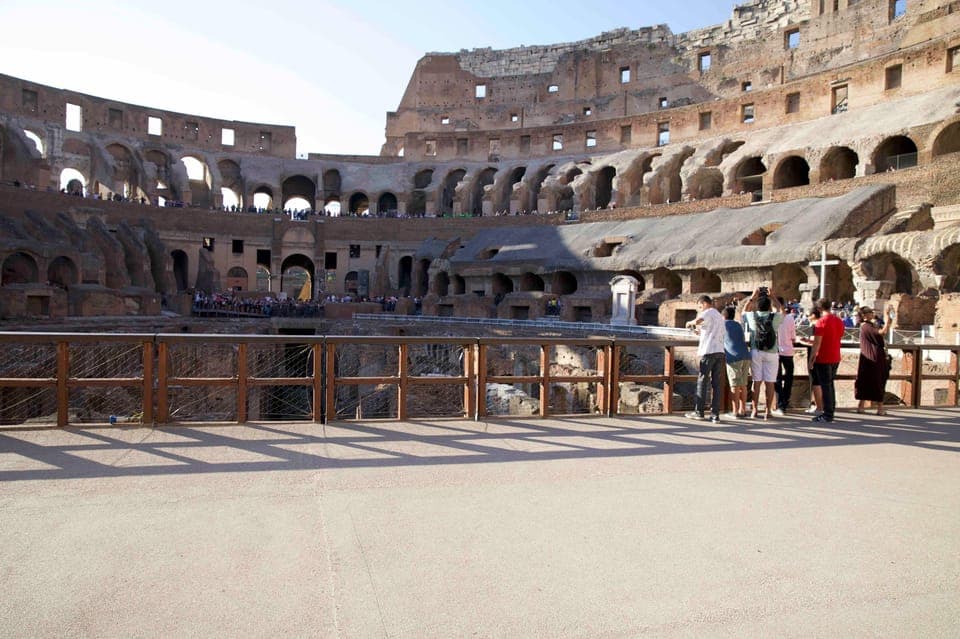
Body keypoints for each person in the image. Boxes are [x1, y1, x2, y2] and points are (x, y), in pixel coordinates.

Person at [742, 288, 783, 419]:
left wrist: (753, 296)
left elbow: (744, 311)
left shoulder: (753, 316)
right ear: (769, 305)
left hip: (756, 351)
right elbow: (782, 312)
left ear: (757, 305)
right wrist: (774, 297)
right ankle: (768, 411)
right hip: (772, 352)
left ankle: (754, 410)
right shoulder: (774, 317)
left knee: (756, 382)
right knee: (770, 383)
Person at [684, 295, 725, 423]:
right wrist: (699, 333)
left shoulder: (708, 312)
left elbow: (698, 320)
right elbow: (711, 331)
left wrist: (689, 323)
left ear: (705, 304)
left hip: (708, 351)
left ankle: (699, 412)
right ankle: (715, 414)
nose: (700, 309)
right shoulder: (719, 315)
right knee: (716, 384)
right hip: (719, 351)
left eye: (700, 306)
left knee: (702, 380)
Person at [808, 297, 844, 423]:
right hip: (835, 356)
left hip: (823, 357)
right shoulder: (839, 320)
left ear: (819, 308)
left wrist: (811, 358)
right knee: (830, 384)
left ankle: (828, 414)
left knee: (825, 385)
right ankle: (831, 409)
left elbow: (817, 343)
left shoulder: (821, 322)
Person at [855, 306, 894, 415]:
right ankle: (880, 408)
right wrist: (887, 320)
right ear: (864, 315)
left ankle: (861, 406)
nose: (872, 313)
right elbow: (882, 333)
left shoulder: (868, 326)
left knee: (865, 380)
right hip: (874, 357)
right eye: (870, 312)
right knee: (877, 381)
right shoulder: (866, 326)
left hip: (868, 357)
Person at [722, 306, 750, 419]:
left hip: (733, 356)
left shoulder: (723, 325)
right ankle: (742, 410)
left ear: (723, 316)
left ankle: (735, 411)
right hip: (745, 354)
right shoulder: (738, 325)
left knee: (734, 384)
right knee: (743, 384)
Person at [773, 297, 797, 416]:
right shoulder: (790, 318)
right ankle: (785, 401)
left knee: (777, 379)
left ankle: (781, 404)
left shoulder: (774, 318)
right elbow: (793, 337)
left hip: (777, 351)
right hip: (788, 351)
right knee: (788, 378)